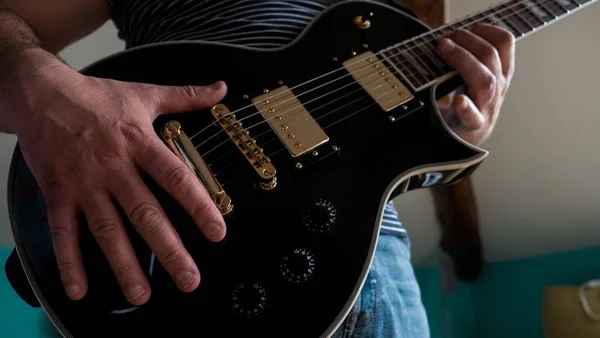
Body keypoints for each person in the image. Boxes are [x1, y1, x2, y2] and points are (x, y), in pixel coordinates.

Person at [0, 0, 514, 336]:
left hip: (374, 263)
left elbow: (381, 155)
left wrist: (453, 130)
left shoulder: (376, 20)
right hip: (196, 264)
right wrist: (35, 78)